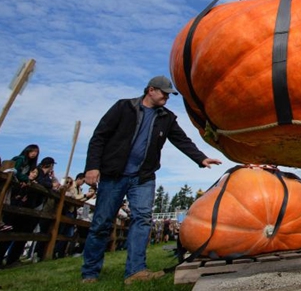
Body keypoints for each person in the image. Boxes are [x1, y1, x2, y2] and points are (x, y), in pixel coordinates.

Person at [80, 75, 222, 285]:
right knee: (102, 222)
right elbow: (99, 136)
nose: (167, 97)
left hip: (143, 177)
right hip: (114, 174)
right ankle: (90, 272)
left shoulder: (167, 117)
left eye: (169, 94)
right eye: (164, 93)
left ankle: (135, 270)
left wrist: (201, 158)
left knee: (143, 219)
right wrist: (92, 167)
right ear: (151, 90)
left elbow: (182, 141)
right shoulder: (124, 107)